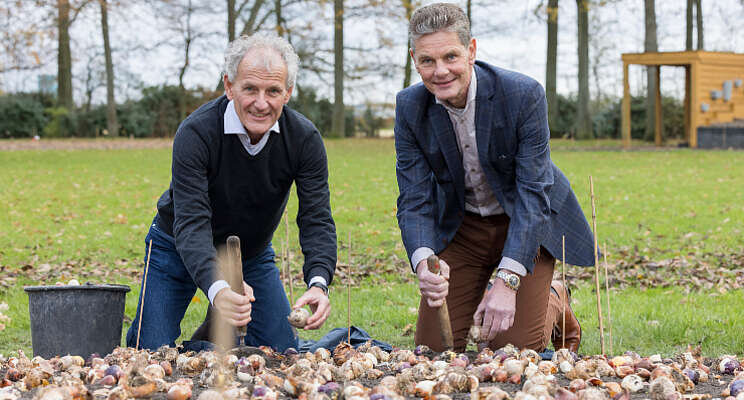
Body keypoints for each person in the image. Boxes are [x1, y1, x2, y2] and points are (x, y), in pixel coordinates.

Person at [395, 3, 595, 353]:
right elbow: (413, 198)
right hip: (464, 227)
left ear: (471, 51)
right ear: (415, 59)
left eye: (450, 57)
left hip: (524, 220)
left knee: (510, 350)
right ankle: (480, 295)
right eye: (427, 60)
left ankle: (554, 298)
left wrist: (509, 279)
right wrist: (424, 261)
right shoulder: (410, 106)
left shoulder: (521, 95)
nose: (440, 71)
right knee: (433, 350)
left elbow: (534, 196)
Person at [126, 34, 336, 351]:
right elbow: (192, 224)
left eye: (273, 91)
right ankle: (214, 321)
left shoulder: (304, 139)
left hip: (250, 254)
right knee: (150, 353)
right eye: (250, 88)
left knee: (281, 352)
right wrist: (218, 286)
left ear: (288, 93)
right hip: (177, 247)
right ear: (229, 86)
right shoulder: (196, 133)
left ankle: (216, 329)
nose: (261, 102)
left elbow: (316, 218)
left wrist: (319, 282)